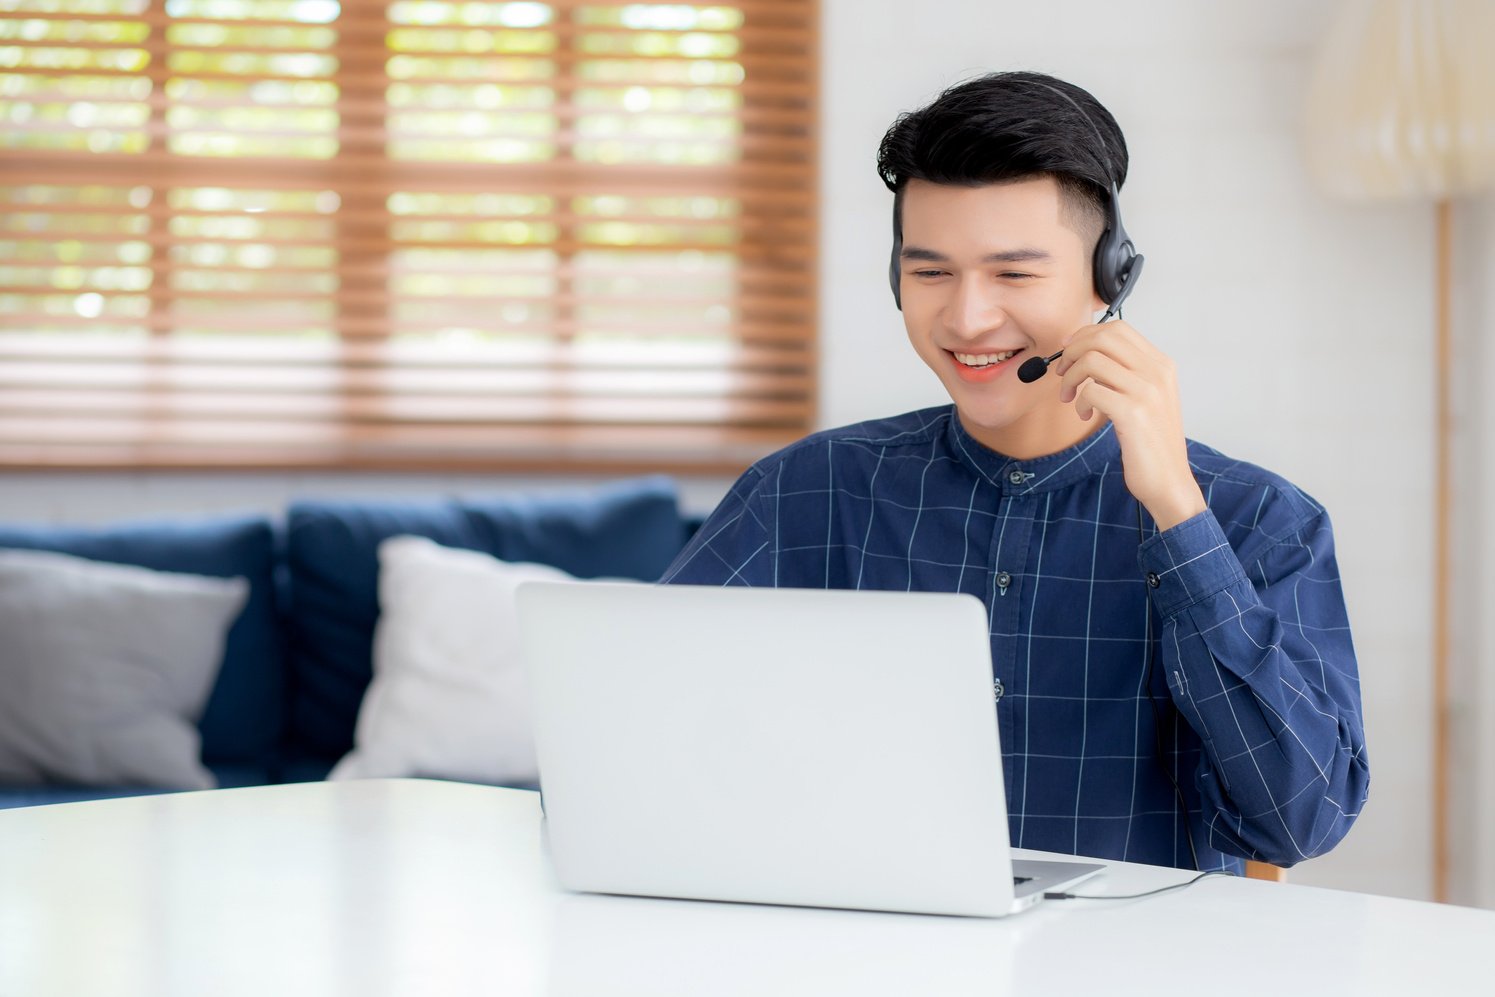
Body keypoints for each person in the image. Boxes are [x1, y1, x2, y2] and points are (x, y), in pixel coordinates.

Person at [661, 71, 1369, 873]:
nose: (966, 319)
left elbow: (1301, 819)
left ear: (1111, 277)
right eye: (931, 272)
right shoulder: (803, 494)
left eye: (1013, 274)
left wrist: (1177, 512)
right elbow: (635, 740)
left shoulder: (1256, 520)